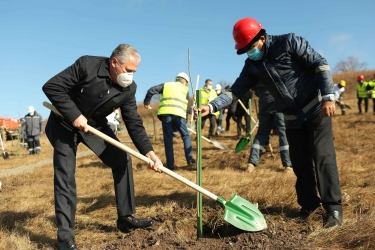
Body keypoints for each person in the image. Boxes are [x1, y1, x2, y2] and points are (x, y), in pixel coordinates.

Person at [197, 17, 343, 228]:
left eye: (251, 47)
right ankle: (309, 207)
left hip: (315, 108)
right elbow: (235, 91)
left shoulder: (289, 42)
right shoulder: (252, 66)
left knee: (323, 156)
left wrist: (329, 96)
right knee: (300, 162)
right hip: (291, 117)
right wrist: (211, 106)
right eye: (245, 49)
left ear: (262, 38)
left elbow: (319, 63)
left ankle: (334, 209)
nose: (250, 52)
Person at [42, 44, 163, 250]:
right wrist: (74, 115)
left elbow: (133, 122)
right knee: (66, 175)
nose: (131, 77)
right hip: (64, 123)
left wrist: (149, 153)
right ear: (115, 62)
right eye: (129, 70)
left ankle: (125, 217)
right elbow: (52, 86)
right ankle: (65, 237)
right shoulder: (87, 65)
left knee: (122, 160)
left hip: (94, 126)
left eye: (135, 72)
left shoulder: (129, 88)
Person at [143, 72, 196, 170]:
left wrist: (146, 102)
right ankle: (190, 159)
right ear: (185, 82)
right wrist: (193, 112)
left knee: (168, 139)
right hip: (179, 116)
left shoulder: (166, 85)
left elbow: (151, 90)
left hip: (166, 115)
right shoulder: (185, 89)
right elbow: (187, 107)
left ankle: (170, 165)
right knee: (185, 136)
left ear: (177, 79)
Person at [247, 83, 292, 172]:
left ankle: (251, 164)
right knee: (283, 132)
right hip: (278, 102)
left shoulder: (259, 71)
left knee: (262, 133)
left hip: (264, 103)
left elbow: (254, 88)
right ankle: (288, 165)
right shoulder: (279, 69)